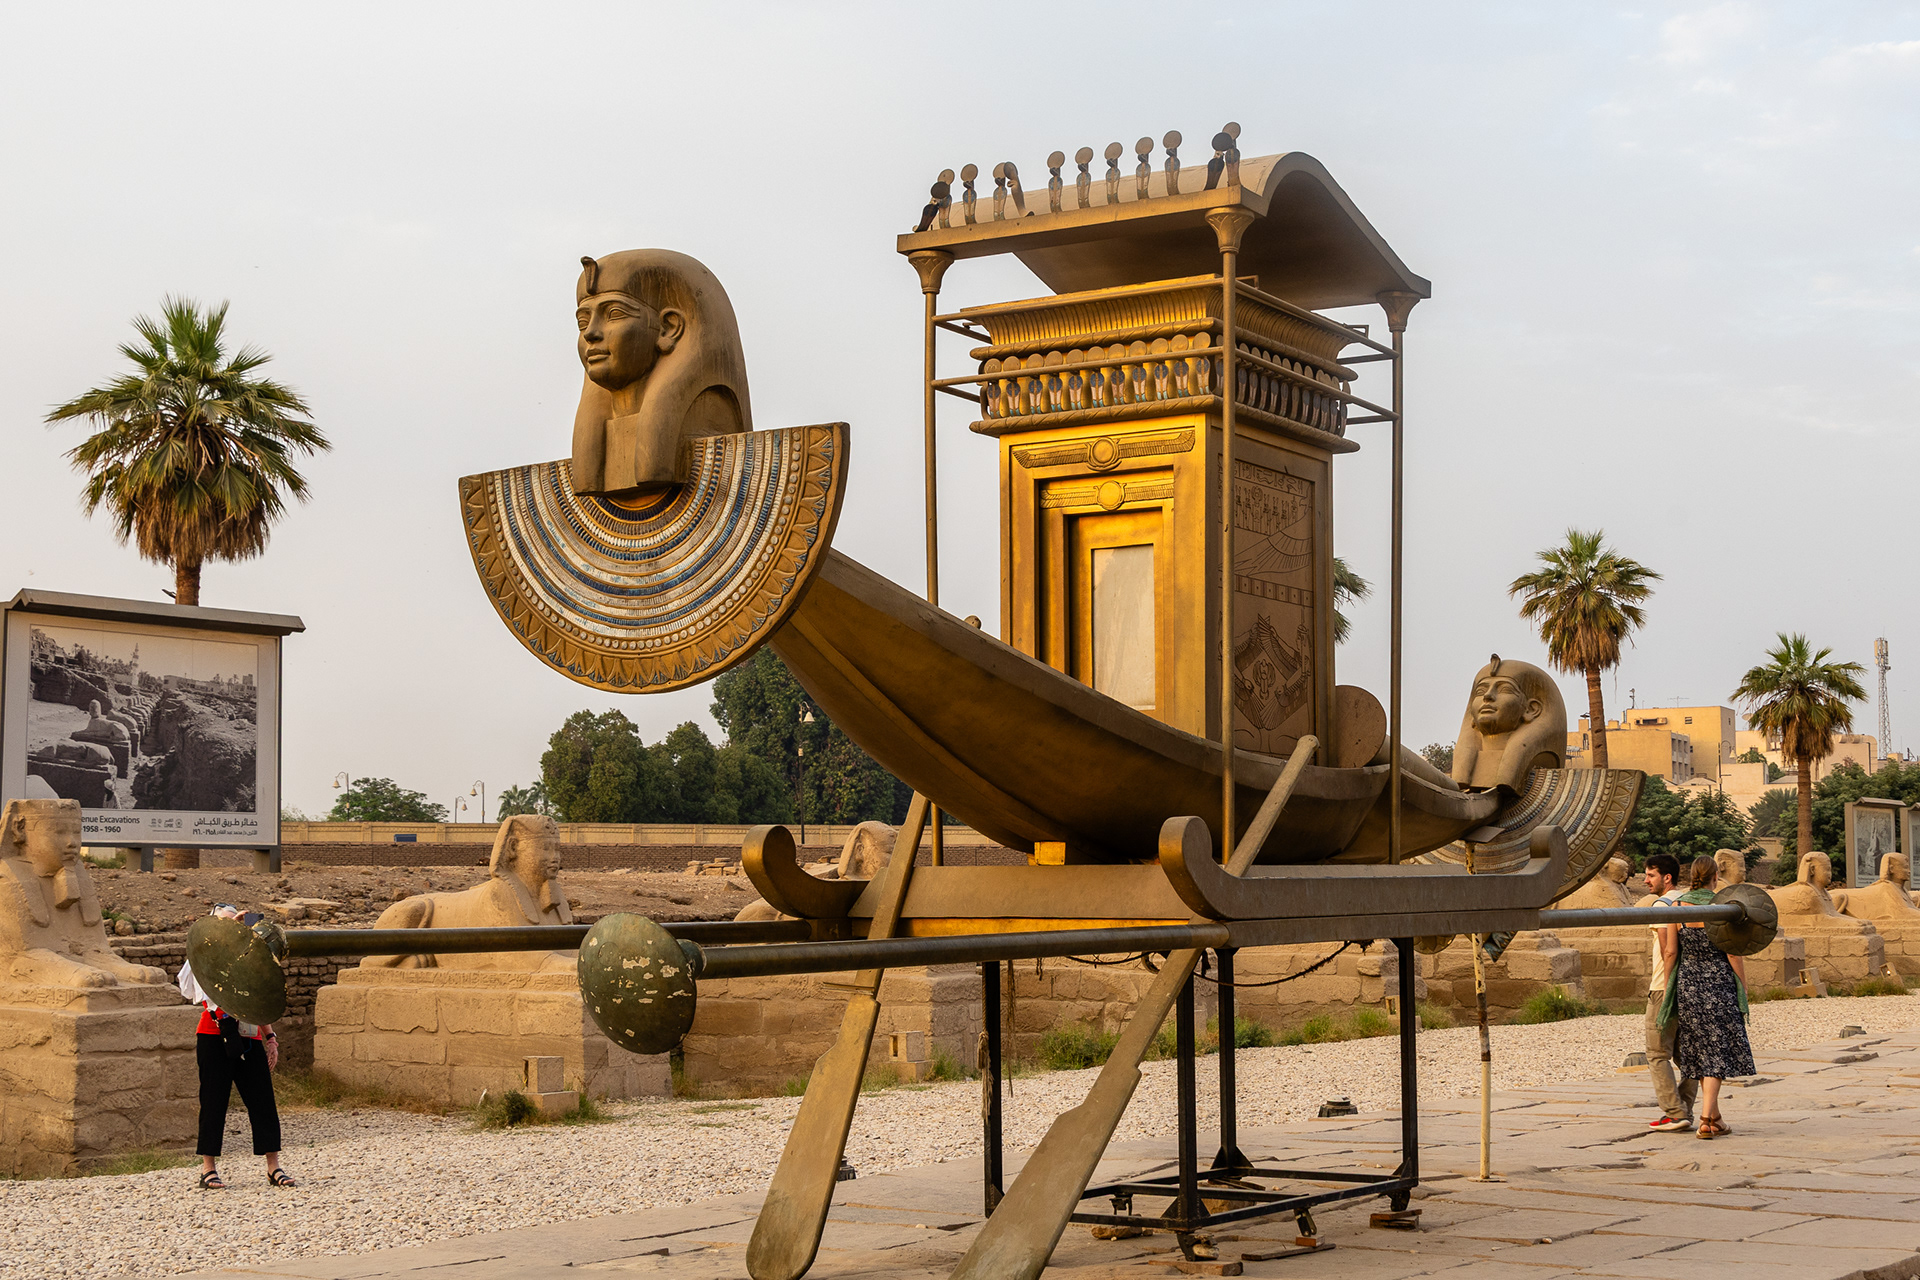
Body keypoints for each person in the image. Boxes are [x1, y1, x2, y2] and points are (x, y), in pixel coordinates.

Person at [179, 905, 294, 1188]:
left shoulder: (248, 958)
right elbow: (188, 982)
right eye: (226, 924)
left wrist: (271, 1038)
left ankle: (273, 1167)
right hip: (213, 1033)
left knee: (263, 1101)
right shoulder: (205, 957)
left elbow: (257, 1003)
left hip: (249, 1034)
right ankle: (208, 1169)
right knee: (213, 1101)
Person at [1658, 857, 1755, 1140]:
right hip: (1718, 983)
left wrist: (1669, 986)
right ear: (1715, 877)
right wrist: (1742, 987)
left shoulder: (1676, 907)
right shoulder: (1721, 907)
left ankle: (1715, 1118)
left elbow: (1670, 952)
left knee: (1702, 1050)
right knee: (1716, 1051)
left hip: (1688, 984)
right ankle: (1705, 1119)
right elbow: (1733, 952)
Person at [1640, 853, 1695, 1132]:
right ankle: (1685, 1108)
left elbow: (1667, 949)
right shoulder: (1688, 901)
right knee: (1687, 1054)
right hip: (1689, 985)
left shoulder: (1662, 905)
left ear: (1667, 877)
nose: (1645, 881)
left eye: (1650, 875)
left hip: (1664, 986)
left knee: (1657, 1052)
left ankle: (1675, 1112)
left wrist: (1669, 985)